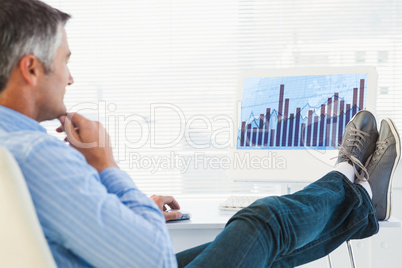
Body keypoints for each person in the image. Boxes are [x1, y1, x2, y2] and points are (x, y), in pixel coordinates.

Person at [0, 0, 400, 267]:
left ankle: (361, 195)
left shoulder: (12, 146)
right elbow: (155, 256)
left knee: (257, 254)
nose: (71, 78)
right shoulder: (36, 154)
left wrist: (128, 205)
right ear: (32, 69)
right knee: (260, 222)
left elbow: (59, 220)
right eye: (65, 61)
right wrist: (107, 163)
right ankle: (350, 178)